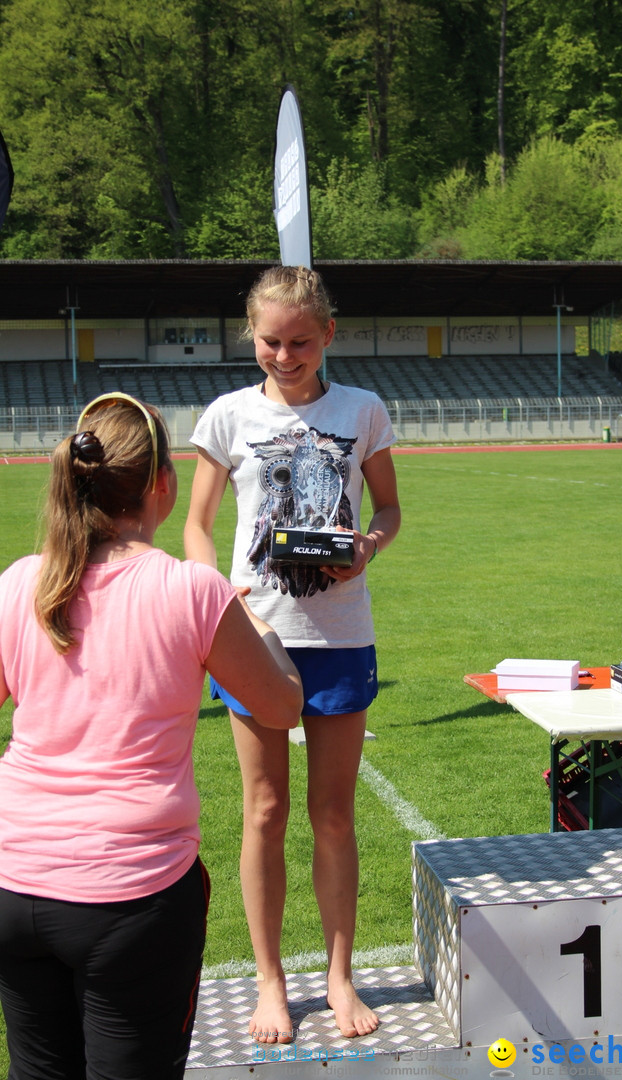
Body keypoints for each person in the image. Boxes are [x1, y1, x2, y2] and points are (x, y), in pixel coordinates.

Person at [0, 393, 302, 1080]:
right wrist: (260, 628)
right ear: (162, 483)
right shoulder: (188, 589)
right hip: (130, 894)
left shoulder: (21, 581)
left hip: (15, 880)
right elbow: (283, 706)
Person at [184, 265, 401, 1044]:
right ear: (252, 335)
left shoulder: (362, 410)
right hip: (257, 636)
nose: (284, 355)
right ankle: (272, 982)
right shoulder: (226, 415)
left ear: (329, 335)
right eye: (270, 341)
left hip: (341, 635)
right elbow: (198, 526)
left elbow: (390, 508)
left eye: (300, 342)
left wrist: (367, 548)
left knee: (333, 816)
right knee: (264, 811)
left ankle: (339, 979)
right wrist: (220, 595)